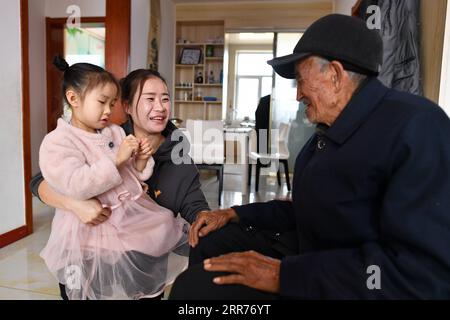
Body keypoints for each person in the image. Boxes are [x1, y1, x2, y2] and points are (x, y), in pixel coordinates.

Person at [170, 14, 450, 300]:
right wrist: (234, 213)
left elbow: (419, 273)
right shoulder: (329, 131)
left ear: (336, 75)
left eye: (302, 81)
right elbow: (306, 210)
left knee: (190, 291)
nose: (298, 95)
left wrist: (284, 275)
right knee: (210, 240)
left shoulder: (416, 126)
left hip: (341, 280)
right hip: (305, 251)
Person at [34, 59, 210, 300]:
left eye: (165, 98)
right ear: (127, 107)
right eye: (150, 98)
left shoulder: (175, 156)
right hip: (90, 244)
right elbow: (44, 181)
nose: (160, 107)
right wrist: (76, 204)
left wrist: (138, 161)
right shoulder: (108, 135)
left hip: (144, 252)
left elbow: (193, 204)